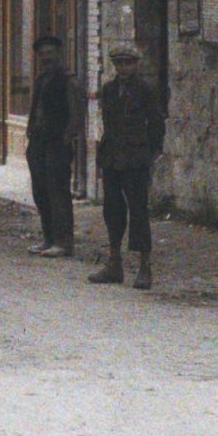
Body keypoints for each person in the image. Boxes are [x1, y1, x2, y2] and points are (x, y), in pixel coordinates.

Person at [90, 42, 165, 290]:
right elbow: (106, 123)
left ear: (136, 65)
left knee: (139, 211)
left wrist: (152, 154)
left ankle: (145, 267)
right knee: (112, 210)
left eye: (128, 63)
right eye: (119, 63)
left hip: (135, 159)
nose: (123, 68)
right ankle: (114, 263)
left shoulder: (145, 90)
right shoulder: (109, 90)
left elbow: (155, 124)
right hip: (112, 157)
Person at [25, 36, 76, 259]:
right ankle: (48, 238)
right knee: (41, 191)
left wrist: (67, 138)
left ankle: (63, 242)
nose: (46, 57)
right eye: (43, 53)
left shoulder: (67, 80)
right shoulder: (40, 79)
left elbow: (75, 113)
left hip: (57, 143)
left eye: (50, 53)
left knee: (58, 192)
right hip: (38, 142)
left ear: (58, 54)